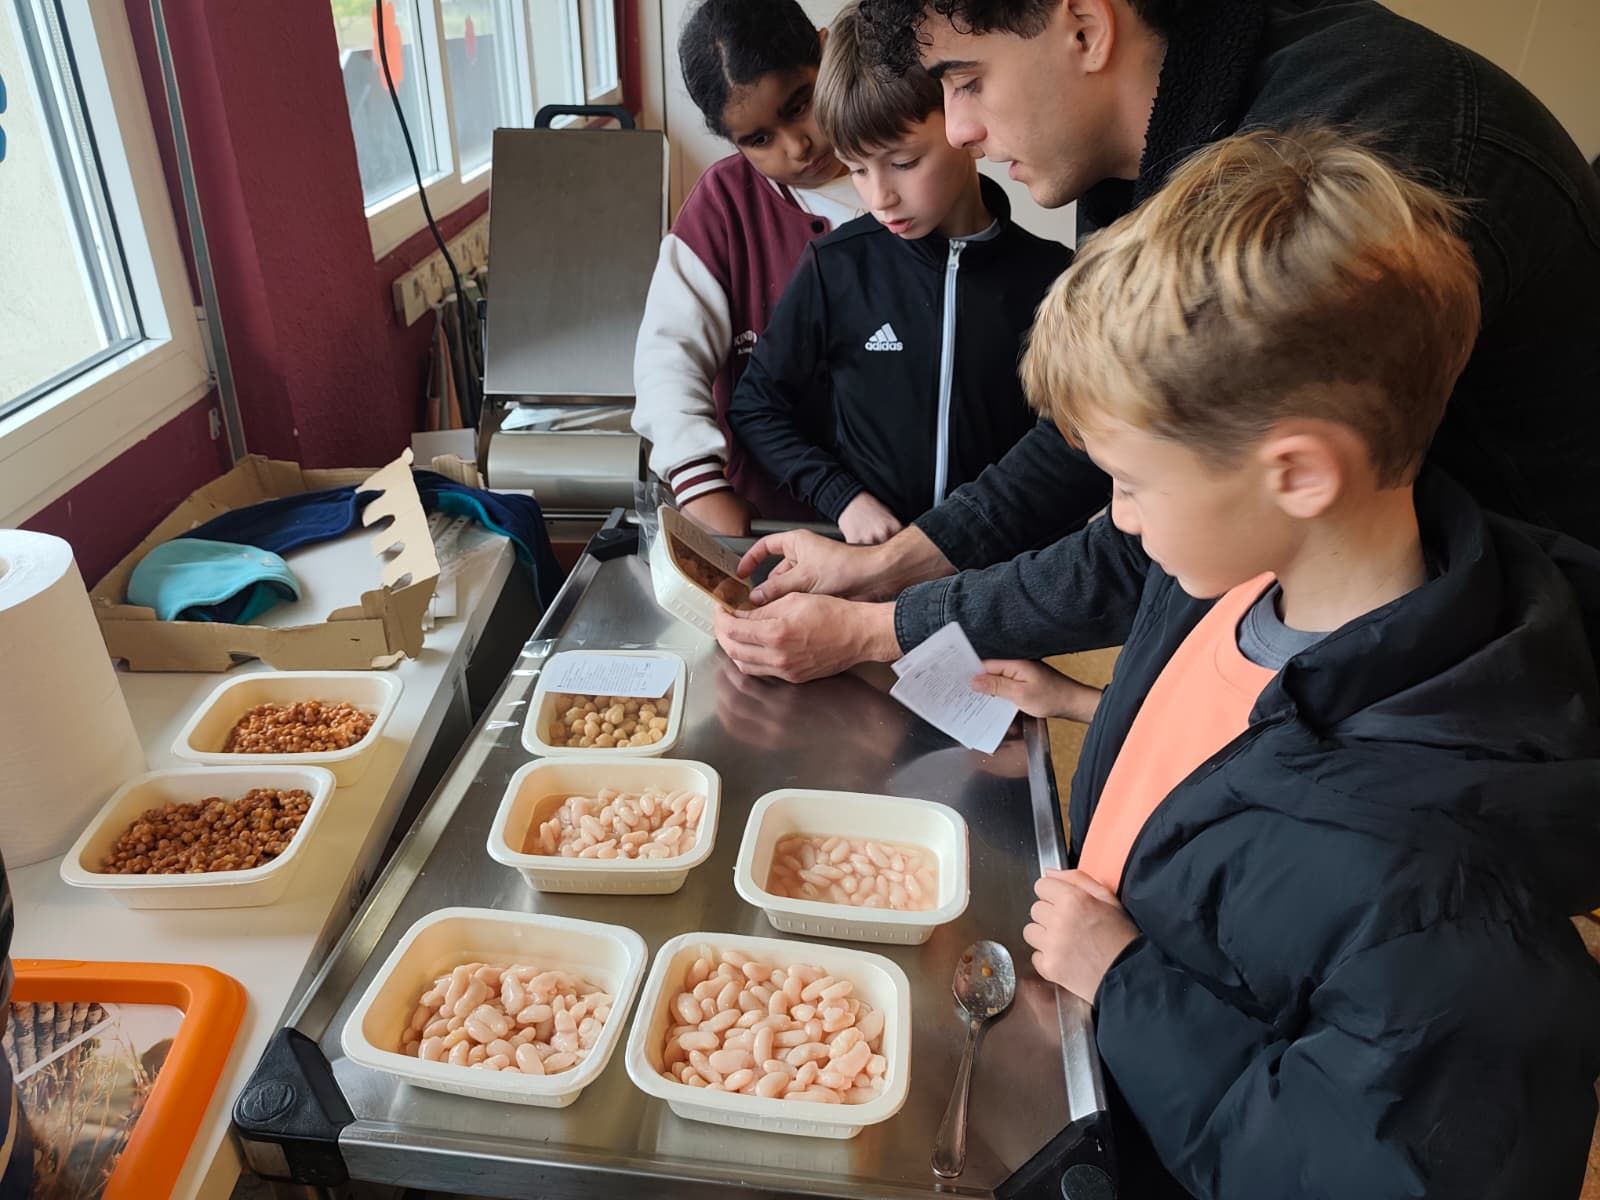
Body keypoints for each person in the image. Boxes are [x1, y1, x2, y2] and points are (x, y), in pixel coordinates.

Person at [981, 125, 1600, 1200]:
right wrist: (1082, 701)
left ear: (1297, 473)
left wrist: (1121, 978)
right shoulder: (1230, 581)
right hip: (1100, 1073)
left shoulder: (1446, 892)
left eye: (1130, 482)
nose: (1118, 521)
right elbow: (1237, 758)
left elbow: (1351, 1166)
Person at [713, 0, 1600, 681]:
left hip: (1517, 664)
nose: (961, 131)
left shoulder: (1342, 167)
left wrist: (884, 626)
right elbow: (1092, 445)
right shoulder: (1143, 152)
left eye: (966, 80)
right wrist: (887, 571)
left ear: (1087, 27)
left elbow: (1176, 526)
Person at [726, 4, 1071, 545]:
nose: (880, 197)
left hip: (1001, 583)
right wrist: (841, 497)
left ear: (960, 121)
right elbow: (756, 405)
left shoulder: (1055, 277)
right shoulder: (835, 267)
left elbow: (1067, 452)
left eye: (904, 163)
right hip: (871, 566)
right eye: (858, 169)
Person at [631, 0, 864, 537]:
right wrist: (701, 484)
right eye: (759, 140)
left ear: (827, 50)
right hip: (772, 531)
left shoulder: (907, 178)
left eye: (800, 105)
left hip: (906, 530)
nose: (798, 146)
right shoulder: (724, 207)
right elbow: (669, 360)